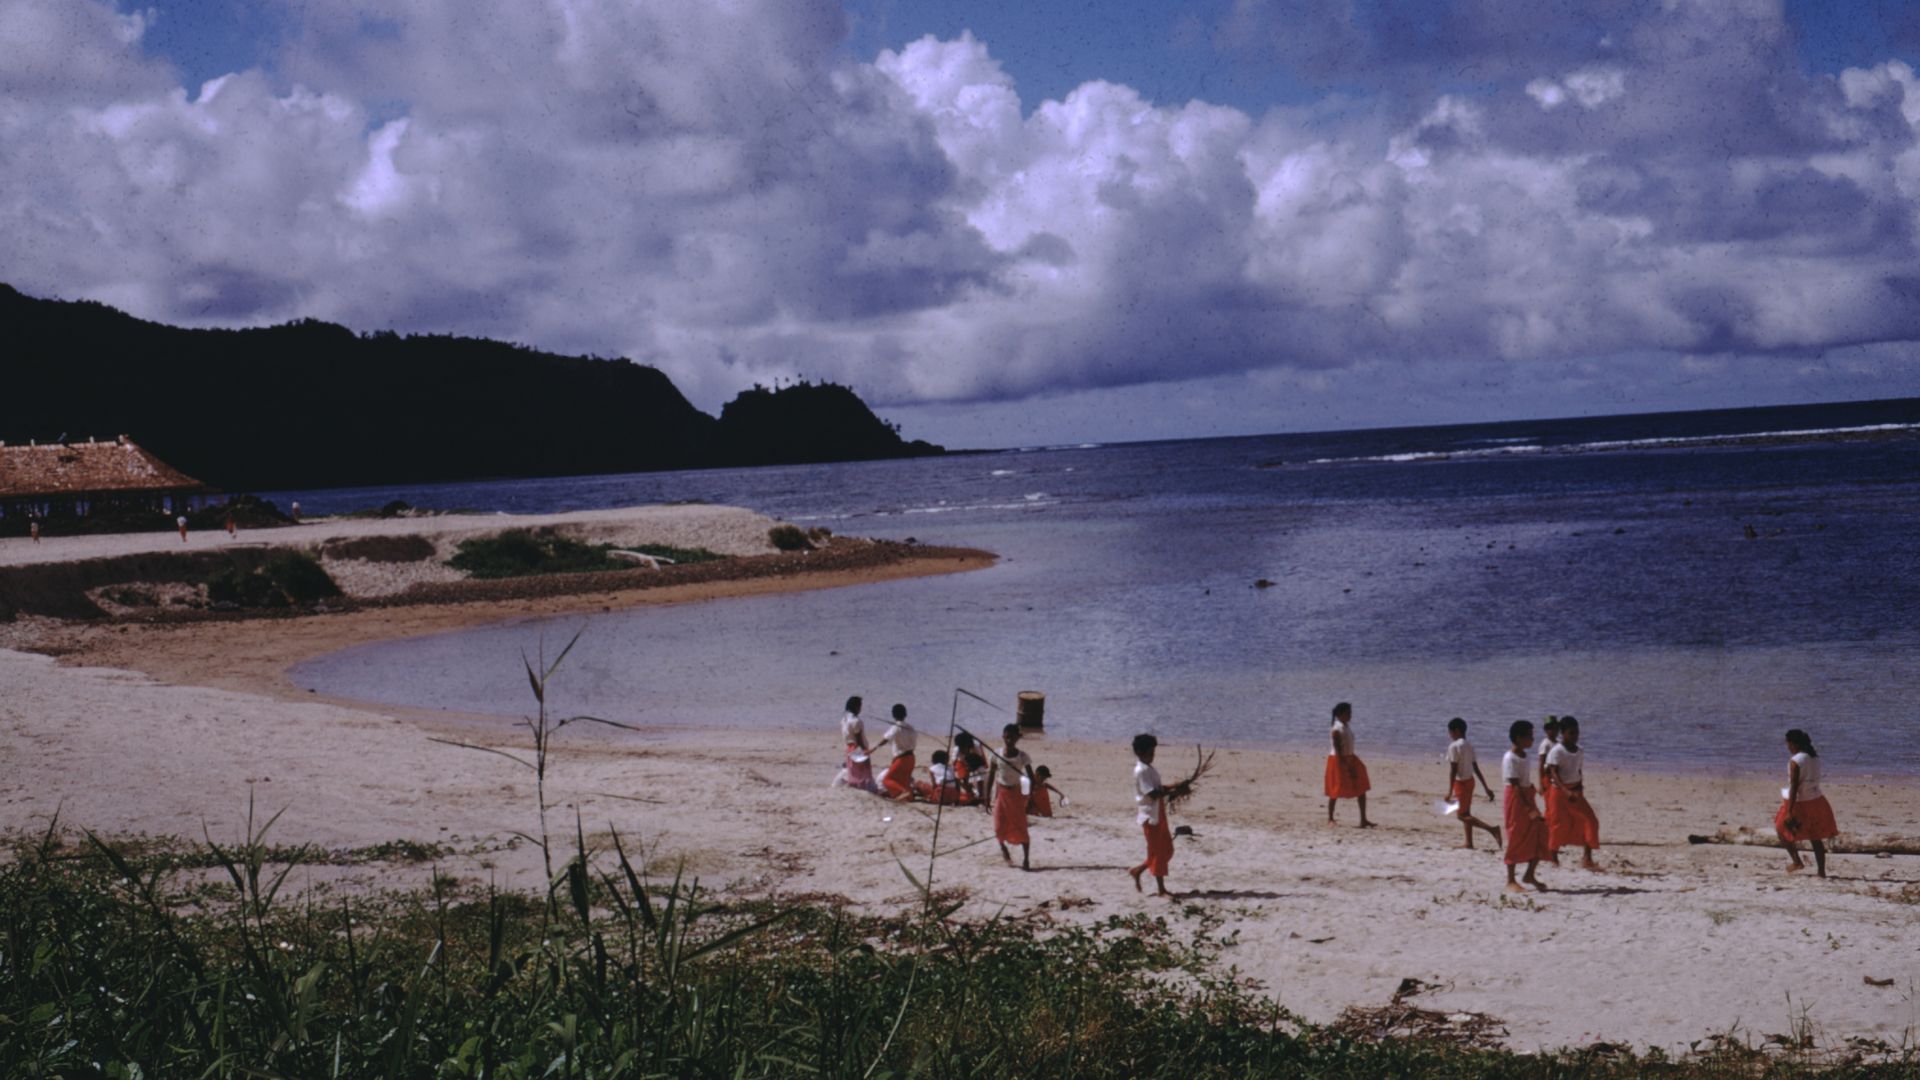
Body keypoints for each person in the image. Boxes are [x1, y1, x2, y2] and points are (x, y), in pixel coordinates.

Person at [1776, 728, 1838, 878]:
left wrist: (1789, 811)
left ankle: (1797, 861)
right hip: (1817, 800)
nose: (1788, 747)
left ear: (1793, 744)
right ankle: (1821, 871)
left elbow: (1794, 786)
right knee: (1815, 837)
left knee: (1780, 829)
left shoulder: (1795, 761)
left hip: (1800, 802)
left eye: (1788, 744)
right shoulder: (1815, 758)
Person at [1544, 716, 1601, 870]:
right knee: (1558, 824)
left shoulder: (1579, 750)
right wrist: (1565, 790)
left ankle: (1587, 858)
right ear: (1563, 733)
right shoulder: (1557, 751)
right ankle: (1553, 857)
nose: (1574, 736)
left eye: (1576, 733)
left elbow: (1578, 769)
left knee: (1590, 821)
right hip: (1559, 792)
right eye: (1571, 733)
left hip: (1576, 791)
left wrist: (1580, 786)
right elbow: (1553, 773)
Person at [1502, 720, 1550, 893]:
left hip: (1526, 795)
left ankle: (1529, 874)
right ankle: (1510, 879)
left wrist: (1533, 791)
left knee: (1541, 832)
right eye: (1529, 735)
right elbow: (1514, 786)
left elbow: (1524, 780)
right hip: (1516, 800)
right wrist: (1528, 808)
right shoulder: (1510, 758)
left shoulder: (1525, 756)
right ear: (1519, 738)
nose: (1532, 738)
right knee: (1515, 835)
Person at [1443, 718, 1500, 849]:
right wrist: (1486, 787)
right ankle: (1469, 842)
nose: (1449, 735)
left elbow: (1453, 770)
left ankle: (1492, 830)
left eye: (1450, 732)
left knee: (1461, 816)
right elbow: (1476, 768)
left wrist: (1449, 791)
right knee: (1466, 813)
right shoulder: (1469, 745)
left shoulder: (1454, 746)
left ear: (1456, 731)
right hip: (1471, 781)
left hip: (1461, 783)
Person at [1129, 734, 1175, 897]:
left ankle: (1139, 870)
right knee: (1158, 852)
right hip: (1150, 815)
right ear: (1140, 752)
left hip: (1158, 812)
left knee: (1167, 849)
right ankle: (1161, 889)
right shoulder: (1141, 770)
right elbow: (1153, 793)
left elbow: (1158, 788)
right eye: (1150, 752)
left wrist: (1174, 787)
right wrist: (1172, 791)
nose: (1152, 755)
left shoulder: (1149, 769)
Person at [987, 723, 1034, 870]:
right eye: (1007, 737)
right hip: (1001, 793)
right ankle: (1004, 850)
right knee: (999, 824)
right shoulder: (996, 754)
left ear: (1018, 738)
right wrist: (986, 796)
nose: (1009, 740)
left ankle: (1026, 859)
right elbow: (991, 775)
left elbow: (1030, 778)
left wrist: (1029, 797)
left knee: (1020, 826)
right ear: (1003, 737)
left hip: (1016, 794)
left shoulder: (1022, 756)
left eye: (1012, 738)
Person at [1325, 702, 1374, 827]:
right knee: (1335, 789)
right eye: (1348, 713)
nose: (1350, 715)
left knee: (1361, 787)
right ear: (1341, 714)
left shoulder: (1345, 726)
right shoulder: (1336, 729)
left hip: (1350, 757)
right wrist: (1347, 766)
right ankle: (1330, 818)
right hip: (1338, 760)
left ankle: (1363, 820)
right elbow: (1338, 750)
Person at [873, 703, 919, 801]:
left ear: (893, 715)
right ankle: (909, 796)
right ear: (905, 714)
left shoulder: (896, 727)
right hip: (911, 757)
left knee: (887, 780)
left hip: (901, 759)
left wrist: (874, 748)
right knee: (904, 780)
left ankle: (904, 792)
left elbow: (886, 738)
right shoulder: (911, 728)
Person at [835, 696, 878, 793]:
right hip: (857, 748)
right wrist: (865, 750)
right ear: (856, 707)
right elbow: (859, 739)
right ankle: (862, 789)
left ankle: (855, 786)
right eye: (860, 706)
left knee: (853, 771)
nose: (861, 709)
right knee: (862, 772)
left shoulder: (844, 719)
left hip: (849, 748)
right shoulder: (856, 721)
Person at [1539, 716, 1563, 864]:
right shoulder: (1545, 744)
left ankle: (1550, 833)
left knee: (1553, 808)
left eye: (1554, 728)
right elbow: (1541, 764)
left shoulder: (1557, 743)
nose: (1551, 730)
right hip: (1547, 778)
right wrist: (1541, 783)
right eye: (1548, 728)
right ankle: (1547, 835)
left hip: (1556, 777)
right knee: (1550, 808)